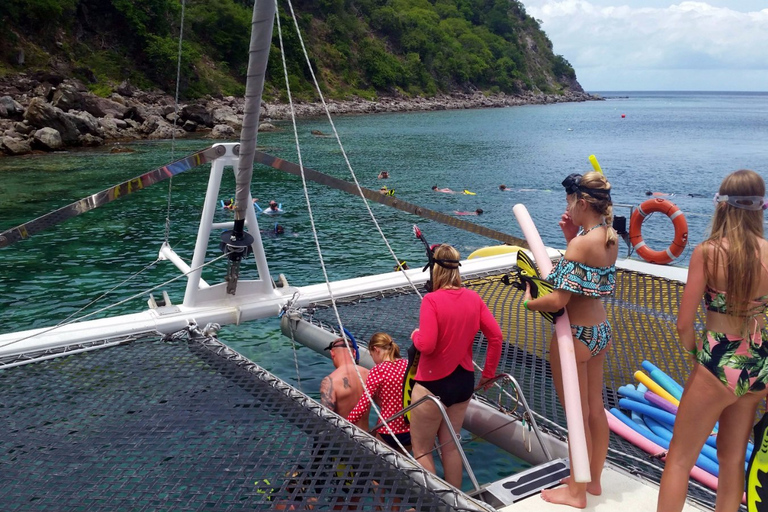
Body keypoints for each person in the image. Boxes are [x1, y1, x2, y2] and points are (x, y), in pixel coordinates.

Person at [657, 170, 768, 512]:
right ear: (760, 207)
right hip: (758, 364)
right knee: (733, 459)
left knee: (678, 459)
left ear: (721, 206)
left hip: (719, 362)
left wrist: (698, 359)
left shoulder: (708, 252)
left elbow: (683, 324)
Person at [522, 171, 618, 508]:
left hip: (574, 336)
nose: (567, 209)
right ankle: (591, 480)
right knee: (595, 410)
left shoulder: (581, 244)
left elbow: (558, 300)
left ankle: (576, 494)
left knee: (575, 414)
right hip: (600, 330)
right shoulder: (609, 236)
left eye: (568, 203)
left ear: (580, 202)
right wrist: (570, 235)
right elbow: (585, 281)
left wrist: (529, 300)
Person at [409, 244, 503, 488]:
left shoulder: (431, 300)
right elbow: (495, 337)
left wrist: (415, 336)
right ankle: (456, 502)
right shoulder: (474, 298)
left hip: (432, 384)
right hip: (463, 383)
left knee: (421, 450)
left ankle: (436, 503)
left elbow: (427, 345)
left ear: (435, 271)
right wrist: (489, 375)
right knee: (450, 447)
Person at [347, 333, 411, 453]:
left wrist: (345, 423)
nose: (374, 360)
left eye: (371, 356)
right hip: (410, 429)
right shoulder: (407, 365)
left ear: (376, 350)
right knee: (402, 467)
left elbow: (363, 406)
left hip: (388, 429)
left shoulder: (378, 370)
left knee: (380, 466)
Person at [320, 337, 370, 429]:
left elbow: (325, 419)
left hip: (343, 439)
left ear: (332, 354)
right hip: (367, 438)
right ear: (354, 353)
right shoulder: (369, 374)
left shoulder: (330, 381)